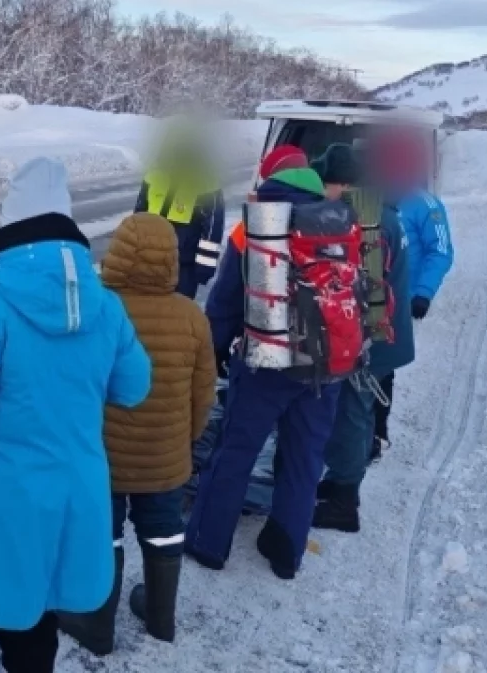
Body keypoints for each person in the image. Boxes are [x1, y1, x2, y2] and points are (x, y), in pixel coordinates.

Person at [0, 157, 152, 673]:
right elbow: (135, 387)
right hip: (76, 500)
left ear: (10, 222)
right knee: (37, 629)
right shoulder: (105, 305)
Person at [59, 213, 215, 654]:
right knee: (164, 531)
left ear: (119, 254)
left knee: (101, 535)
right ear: (172, 259)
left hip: (100, 458)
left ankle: (96, 625)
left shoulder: (91, 312)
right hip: (164, 459)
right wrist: (184, 442)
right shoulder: (191, 317)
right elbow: (203, 397)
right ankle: (161, 618)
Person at [184, 149, 340, 580]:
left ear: (269, 177)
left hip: (267, 362)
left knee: (235, 451)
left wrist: (213, 351)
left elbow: (225, 302)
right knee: (304, 457)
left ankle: (208, 543)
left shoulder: (253, 225)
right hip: (328, 362)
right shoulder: (340, 220)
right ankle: (286, 552)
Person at [308, 145, 414, 532]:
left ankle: (343, 503)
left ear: (346, 183)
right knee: (359, 413)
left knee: (352, 414)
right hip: (389, 334)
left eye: (328, 183)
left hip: (371, 339)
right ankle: (338, 481)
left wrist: (352, 344)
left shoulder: (367, 220)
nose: (324, 190)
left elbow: (364, 290)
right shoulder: (383, 210)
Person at [368, 129, 454, 459]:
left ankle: (378, 432)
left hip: (399, 302)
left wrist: (423, 293)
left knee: (381, 367)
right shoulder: (367, 197)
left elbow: (440, 252)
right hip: (361, 295)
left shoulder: (426, 204)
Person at [135, 118, 226, 299]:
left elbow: (213, 228)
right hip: (150, 260)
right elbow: (137, 218)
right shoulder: (154, 175)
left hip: (184, 264)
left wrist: (204, 267)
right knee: (149, 311)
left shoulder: (206, 181)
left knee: (178, 315)